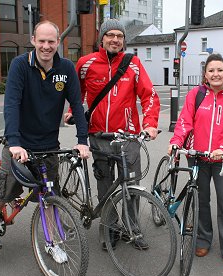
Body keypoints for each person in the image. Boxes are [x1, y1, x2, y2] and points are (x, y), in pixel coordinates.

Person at [0, 21, 90, 263]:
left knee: (49, 195)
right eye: (42, 41)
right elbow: (11, 105)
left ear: (58, 42)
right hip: (20, 144)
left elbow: (77, 108)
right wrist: (15, 143)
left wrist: (83, 141)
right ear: (33, 41)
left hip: (48, 145)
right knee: (4, 191)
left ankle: (51, 242)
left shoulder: (66, 68)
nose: (46, 46)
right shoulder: (21, 65)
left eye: (51, 41)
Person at [63, 19, 160, 249]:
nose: (115, 39)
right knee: (105, 188)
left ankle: (132, 229)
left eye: (119, 36)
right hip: (98, 136)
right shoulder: (86, 64)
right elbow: (76, 93)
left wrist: (150, 123)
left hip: (128, 137)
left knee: (132, 186)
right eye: (110, 35)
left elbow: (149, 96)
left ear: (124, 40)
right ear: (102, 38)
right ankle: (109, 229)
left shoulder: (133, 64)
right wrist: (70, 112)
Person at [168, 53, 223, 266]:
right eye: (211, 70)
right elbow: (185, 122)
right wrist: (177, 142)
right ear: (205, 74)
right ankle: (203, 239)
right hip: (198, 157)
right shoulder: (196, 95)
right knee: (201, 200)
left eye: (219, 70)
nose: (215, 74)